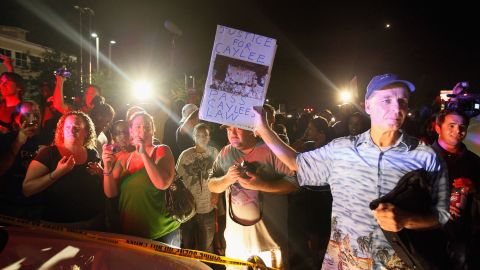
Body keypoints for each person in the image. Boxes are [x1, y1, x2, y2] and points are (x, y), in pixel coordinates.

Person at [253, 73, 450, 269]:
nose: (396, 108)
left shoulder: (426, 157)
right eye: (386, 100)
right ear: (367, 106)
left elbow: (443, 215)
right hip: (343, 264)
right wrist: (263, 129)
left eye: (402, 101)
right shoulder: (342, 149)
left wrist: (407, 219)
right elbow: (297, 163)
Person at [208, 125, 298, 269]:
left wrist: (262, 185)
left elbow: (295, 183)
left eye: (238, 128)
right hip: (237, 242)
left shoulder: (272, 150)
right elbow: (211, 185)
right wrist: (227, 179)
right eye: (228, 129)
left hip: (269, 242)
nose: (232, 133)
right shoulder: (225, 153)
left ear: (252, 130)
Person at [102, 111, 181, 246]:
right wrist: (107, 168)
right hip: (131, 233)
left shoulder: (161, 150)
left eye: (147, 126)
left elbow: (162, 184)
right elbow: (111, 193)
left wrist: (143, 153)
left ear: (153, 130)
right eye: (138, 126)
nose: (143, 130)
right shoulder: (124, 157)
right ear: (131, 131)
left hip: (163, 233)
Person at [22, 111, 105, 229]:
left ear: (86, 132)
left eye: (76, 127)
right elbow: (27, 189)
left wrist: (101, 173)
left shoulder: (93, 154)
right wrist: (57, 173)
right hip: (55, 225)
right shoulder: (49, 153)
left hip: (90, 223)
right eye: (67, 127)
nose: (71, 130)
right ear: (61, 130)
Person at [432, 109, 480, 269]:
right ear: (438, 128)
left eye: (462, 126)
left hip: (463, 234)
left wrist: (474, 189)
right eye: (451, 126)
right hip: (430, 233)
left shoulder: (474, 161)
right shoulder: (423, 159)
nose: (457, 131)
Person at [176, 123, 219, 253]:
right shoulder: (185, 155)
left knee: (206, 249)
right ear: (193, 137)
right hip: (189, 209)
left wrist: (217, 194)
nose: (202, 138)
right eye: (198, 135)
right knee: (187, 246)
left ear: (209, 137)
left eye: (205, 135)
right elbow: (176, 178)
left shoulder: (214, 153)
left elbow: (220, 175)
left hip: (207, 208)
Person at [0, 101, 44, 219]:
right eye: (26, 114)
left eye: (36, 113)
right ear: (16, 117)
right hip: (9, 204)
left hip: (38, 206)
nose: (33, 118)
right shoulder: (6, 139)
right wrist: (18, 142)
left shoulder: (48, 139)